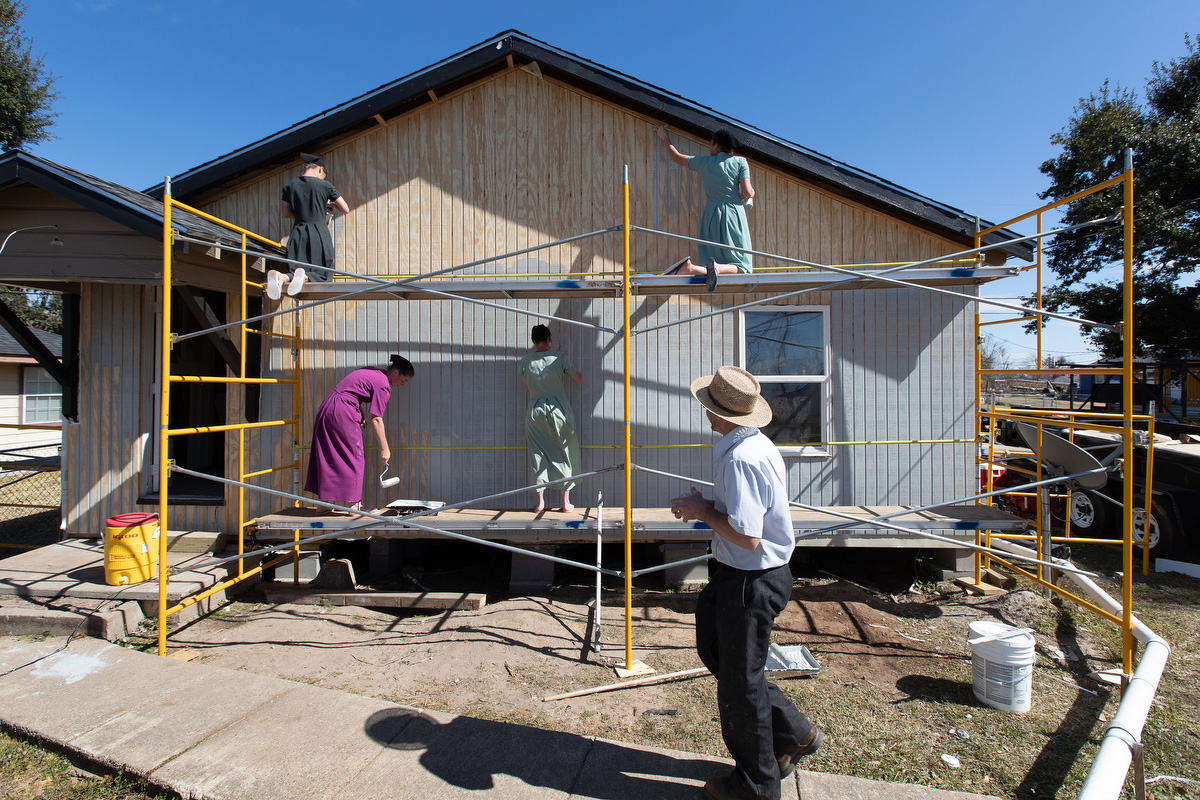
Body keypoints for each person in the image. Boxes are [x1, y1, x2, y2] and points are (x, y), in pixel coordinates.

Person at [669, 365, 821, 800]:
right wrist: (708, 504)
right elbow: (745, 514)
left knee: (741, 683)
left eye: (709, 408)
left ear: (723, 413)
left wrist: (702, 512)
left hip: (751, 578)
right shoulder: (751, 445)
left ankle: (756, 785)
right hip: (741, 574)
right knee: (717, 649)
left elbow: (748, 535)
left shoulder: (740, 457)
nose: (705, 414)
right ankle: (794, 733)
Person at [305, 355, 414, 512]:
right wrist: (385, 448)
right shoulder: (384, 386)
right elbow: (376, 420)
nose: (402, 385)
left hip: (328, 407)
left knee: (328, 453)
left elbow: (349, 390)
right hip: (342, 412)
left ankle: (324, 505)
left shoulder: (372, 371)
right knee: (355, 456)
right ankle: (355, 507)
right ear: (395, 372)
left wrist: (359, 409)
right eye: (403, 381)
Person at [655, 126, 755, 292]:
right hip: (733, 215)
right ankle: (708, 267)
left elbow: (676, 157)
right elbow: (746, 192)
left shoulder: (704, 163)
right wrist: (752, 192)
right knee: (743, 265)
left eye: (710, 144)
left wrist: (664, 137)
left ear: (716, 146)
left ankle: (693, 268)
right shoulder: (740, 162)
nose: (709, 148)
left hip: (712, 217)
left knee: (718, 264)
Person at [267, 152, 351, 299]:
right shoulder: (325, 185)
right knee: (324, 272)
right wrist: (326, 206)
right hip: (319, 233)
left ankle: (281, 277)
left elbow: (287, 213)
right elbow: (345, 209)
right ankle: (305, 277)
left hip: (298, 232)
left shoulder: (289, 186)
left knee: (296, 268)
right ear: (320, 169)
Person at [519, 324, 583, 513]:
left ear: (533, 341)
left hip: (535, 410)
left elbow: (528, 389)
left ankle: (540, 503)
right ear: (550, 339)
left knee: (537, 453)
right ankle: (565, 502)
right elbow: (578, 379)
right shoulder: (559, 357)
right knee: (565, 450)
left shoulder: (525, 361)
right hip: (558, 410)